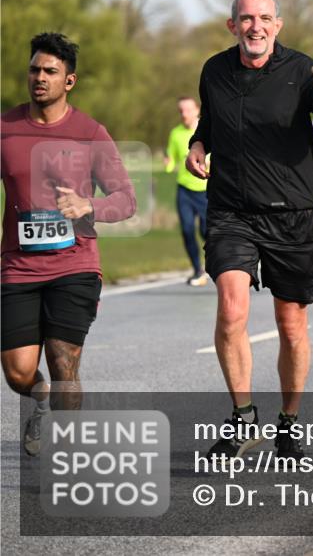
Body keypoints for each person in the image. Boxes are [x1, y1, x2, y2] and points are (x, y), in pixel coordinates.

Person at [185, 0, 313, 461]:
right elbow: (211, 122)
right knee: (232, 309)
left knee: (291, 324)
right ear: (231, 25)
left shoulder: (304, 70)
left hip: (293, 213)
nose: (254, 26)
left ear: (277, 25)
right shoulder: (214, 70)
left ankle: (290, 422)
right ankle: (242, 417)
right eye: (245, 18)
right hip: (231, 210)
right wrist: (199, 144)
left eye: (263, 18)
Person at [2, 33, 136, 456]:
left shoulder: (89, 132)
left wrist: (87, 205)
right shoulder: (5, 129)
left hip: (75, 265)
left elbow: (126, 199)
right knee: (19, 373)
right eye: (34, 70)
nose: (39, 78)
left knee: (63, 363)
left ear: (69, 81)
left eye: (50, 72)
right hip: (17, 267)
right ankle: (37, 400)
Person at [165, 96, 209, 286]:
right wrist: (168, 164)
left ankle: (217, 264)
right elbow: (172, 160)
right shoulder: (175, 134)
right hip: (184, 189)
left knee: (207, 231)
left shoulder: (208, 131)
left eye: (188, 110)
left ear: (197, 110)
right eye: (181, 111)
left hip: (207, 189)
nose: (184, 114)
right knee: (187, 229)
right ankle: (198, 270)